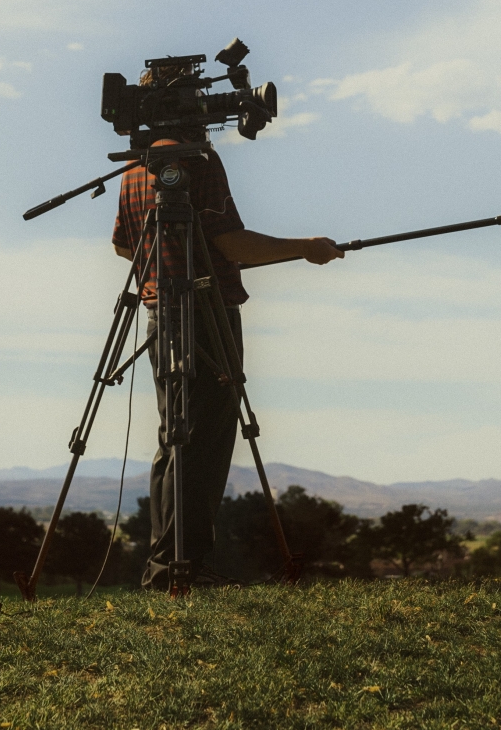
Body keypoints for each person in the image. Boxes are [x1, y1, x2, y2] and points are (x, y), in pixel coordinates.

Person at [112, 68, 342, 589]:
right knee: (206, 436)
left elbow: (126, 246)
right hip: (204, 315)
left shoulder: (134, 168)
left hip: (159, 312)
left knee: (174, 435)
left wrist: (166, 267)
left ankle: (165, 565)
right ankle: (186, 569)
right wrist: (305, 248)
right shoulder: (198, 162)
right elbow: (232, 243)